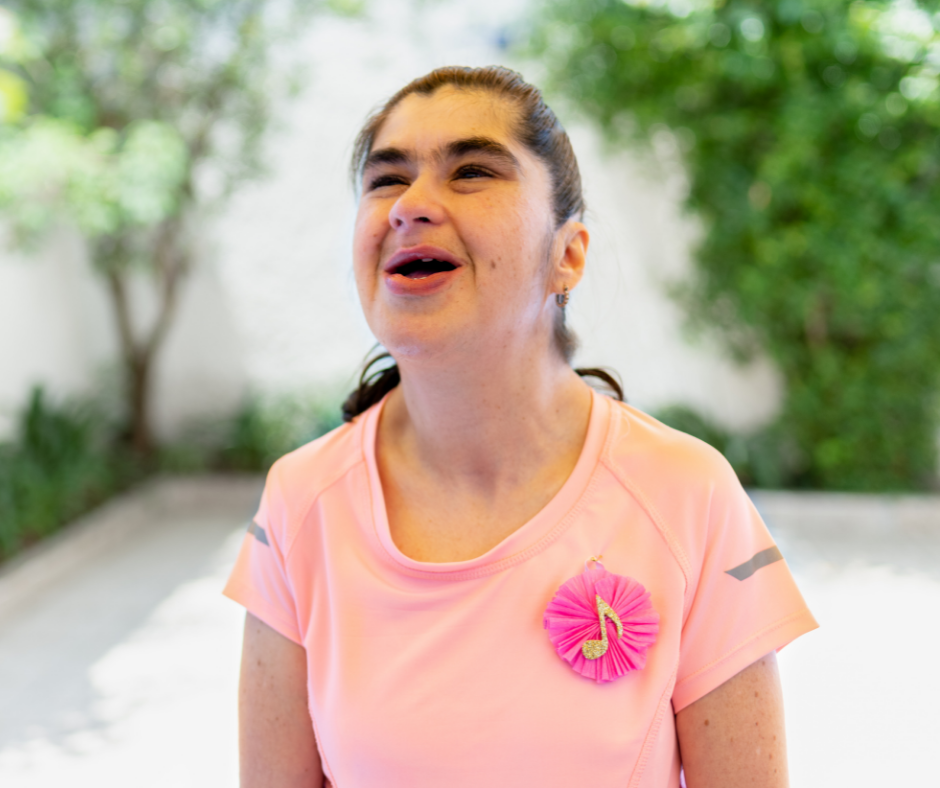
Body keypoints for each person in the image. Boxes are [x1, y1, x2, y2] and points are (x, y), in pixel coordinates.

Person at [224, 65, 817, 788]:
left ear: (567, 255)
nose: (411, 205)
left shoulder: (686, 495)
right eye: (386, 180)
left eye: (471, 171)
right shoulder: (300, 502)